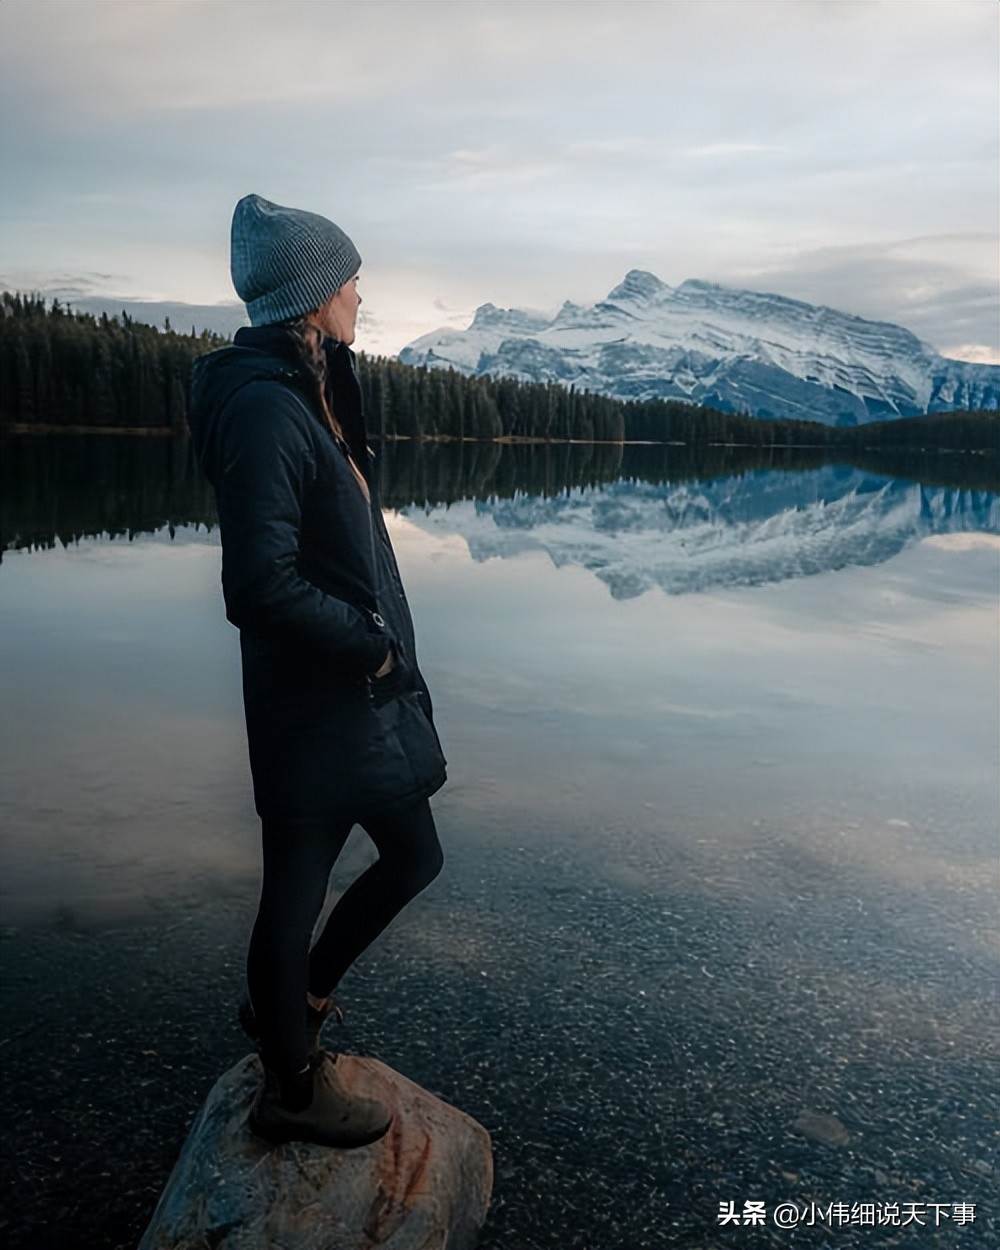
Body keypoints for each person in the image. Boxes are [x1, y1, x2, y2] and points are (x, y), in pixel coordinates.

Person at [187, 193, 448, 1148]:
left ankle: (298, 1005)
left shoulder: (310, 387)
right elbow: (259, 585)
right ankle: (290, 1085)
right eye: (348, 280)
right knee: (294, 885)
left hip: (351, 696)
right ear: (311, 294)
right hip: (315, 695)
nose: (359, 296)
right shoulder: (264, 409)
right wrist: (369, 640)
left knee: (415, 855)